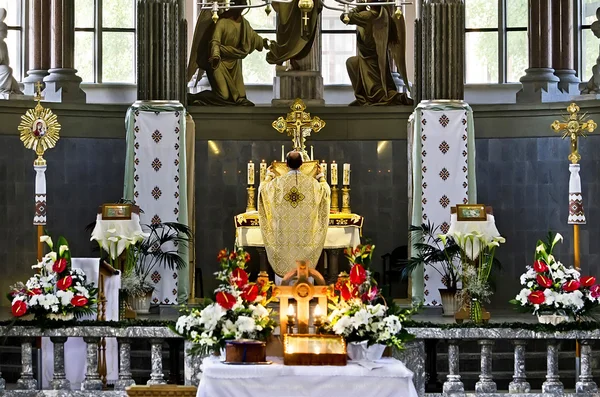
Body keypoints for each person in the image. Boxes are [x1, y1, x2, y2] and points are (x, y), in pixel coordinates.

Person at [258, 151, 330, 277]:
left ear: (286, 164)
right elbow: (325, 193)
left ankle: (282, 294)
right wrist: (321, 177)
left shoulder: (277, 183)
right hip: (305, 238)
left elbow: (262, 191)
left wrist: (268, 175)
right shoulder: (312, 184)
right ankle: (306, 293)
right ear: (302, 164)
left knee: (282, 289)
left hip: (284, 239)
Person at [187, 1, 269, 106]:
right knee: (223, 95)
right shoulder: (222, 22)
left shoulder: (244, 24)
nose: (239, 10)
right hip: (219, 63)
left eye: (242, 8)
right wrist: (215, 55)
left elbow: (254, 38)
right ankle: (193, 98)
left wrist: (265, 43)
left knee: (240, 97)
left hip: (233, 64)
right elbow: (214, 41)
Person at [343, 3, 412, 106]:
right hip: (374, 61)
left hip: (369, 63)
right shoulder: (384, 16)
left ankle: (389, 98)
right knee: (352, 62)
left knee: (377, 92)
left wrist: (360, 6)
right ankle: (369, 97)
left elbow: (346, 17)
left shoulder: (368, 16)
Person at [265, 0, 322, 69]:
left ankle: (294, 56)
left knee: (302, 26)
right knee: (286, 28)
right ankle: (288, 55)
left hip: (304, 5)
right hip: (289, 4)